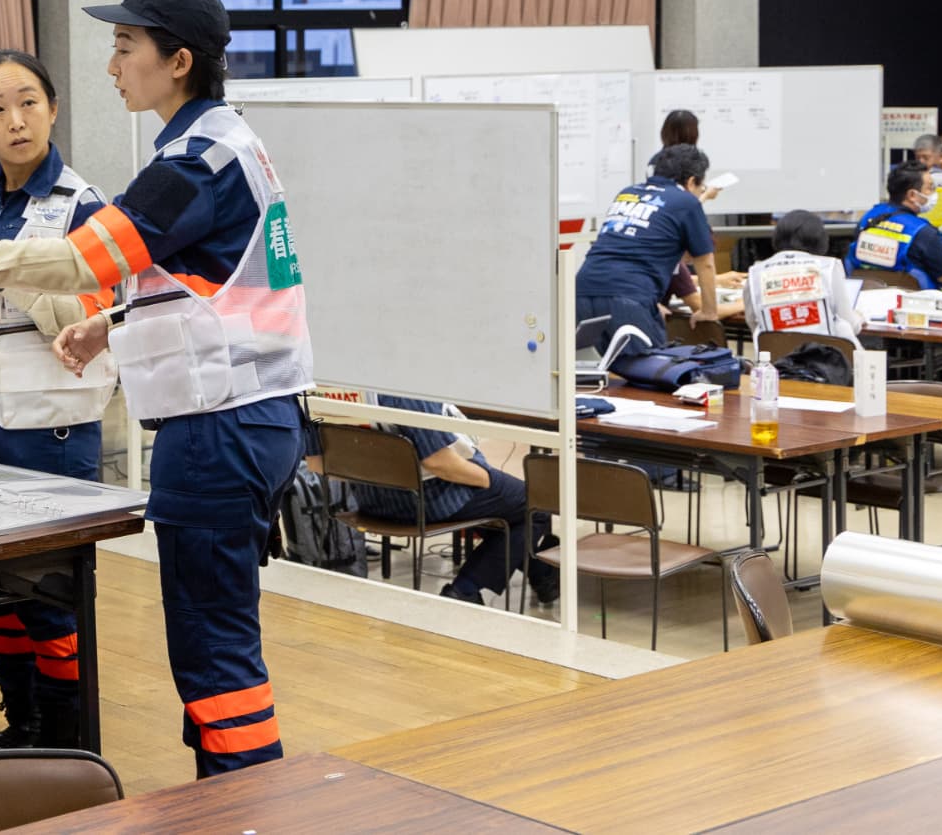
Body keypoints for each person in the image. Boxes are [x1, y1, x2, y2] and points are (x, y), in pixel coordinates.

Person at [0, 0, 314, 779]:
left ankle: (244, 805)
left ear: (176, 60)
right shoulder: (218, 144)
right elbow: (215, 282)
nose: (111, 64)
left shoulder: (194, 161)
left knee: (213, 653)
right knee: (211, 643)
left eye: (124, 45)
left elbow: (78, 256)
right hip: (245, 415)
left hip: (220, 424)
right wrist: (107, 320)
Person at [0, 49, 116, 749]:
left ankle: (67, 734)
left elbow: (97, 312)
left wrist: (4, 273)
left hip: (49, 421)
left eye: (28, 101)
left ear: (52, 107)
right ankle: (22, 722)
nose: (15, 120)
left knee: (53, 594)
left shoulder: (84, 204)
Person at [339, 396, 558, 609]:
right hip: (423, 499)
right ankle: (464, 590)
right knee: (535, 505)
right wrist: (487, 479)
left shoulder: (354, 383)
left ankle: (541, 573)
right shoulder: (408, 391)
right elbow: (439, 463)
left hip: (371, 495)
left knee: (505, 511)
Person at [576, 144, 724, 353]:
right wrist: (708, 311)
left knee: (596, 375)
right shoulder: (687, 203)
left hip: (581, 290)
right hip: (627, 296)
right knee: (647, 372)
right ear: (691, 181)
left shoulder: (627, 193)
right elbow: (706, 264)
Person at [744, 210, 863, 347]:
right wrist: (859, 318)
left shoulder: (756, 273)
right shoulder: (828, 268)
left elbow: (753, 321)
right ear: (820, 239)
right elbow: (849, 322)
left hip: (776, 363)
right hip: (827, 362)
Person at [845, 162, 942, 291]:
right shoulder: (924, 232)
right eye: (930, 188)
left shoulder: (868, 217)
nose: (934, 193)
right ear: (912, 195)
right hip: (914, 304)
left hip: (867, 296)